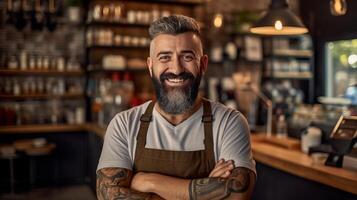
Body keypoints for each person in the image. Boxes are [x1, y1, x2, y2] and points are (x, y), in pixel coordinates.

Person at [96, 14, 256, 200]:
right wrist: (207, 188)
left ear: (203, 64)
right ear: (151, 66)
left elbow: (237, 193)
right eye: (165, 57)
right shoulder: (124, 124)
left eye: (187, 56)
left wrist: (149, 182)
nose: (176, 68)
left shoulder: (229, 122)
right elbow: (109, 195)